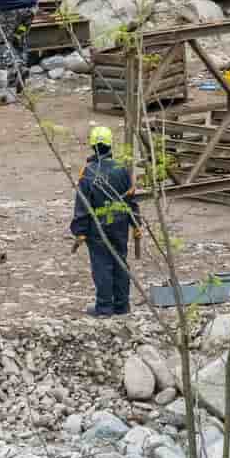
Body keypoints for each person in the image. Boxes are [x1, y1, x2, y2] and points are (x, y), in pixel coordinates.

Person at [71, 125, 140, 317]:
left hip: (97, 228)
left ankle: (104, 307)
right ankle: (122, 305)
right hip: (120, 225)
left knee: (102, 264)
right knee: (120, 261)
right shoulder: (121, 169)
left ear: (93, 146)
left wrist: (80, 231)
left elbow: (82, 204)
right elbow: (131, 200)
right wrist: (136, 224)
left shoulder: (88, 173)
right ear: (111, 144)